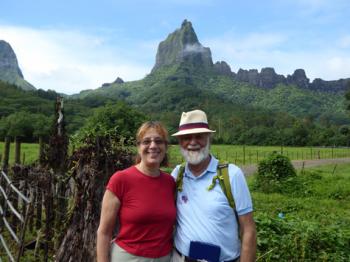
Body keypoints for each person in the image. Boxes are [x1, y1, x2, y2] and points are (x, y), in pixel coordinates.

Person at [170, 110, 257, 262]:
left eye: (199, 136)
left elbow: (248, 229)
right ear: (180, 142)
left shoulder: (232, 175)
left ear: (209, 138)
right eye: (186, 138)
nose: (193, 142)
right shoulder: (177, 174)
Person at [97, 121, 176, 262]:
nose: (153, 146)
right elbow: (104, 232)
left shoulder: (170, 182)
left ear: (165, 147)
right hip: (129, 257)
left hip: (165, 258)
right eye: (146, 141)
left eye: (159, 141)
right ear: (138, 147)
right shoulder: (121, 179)